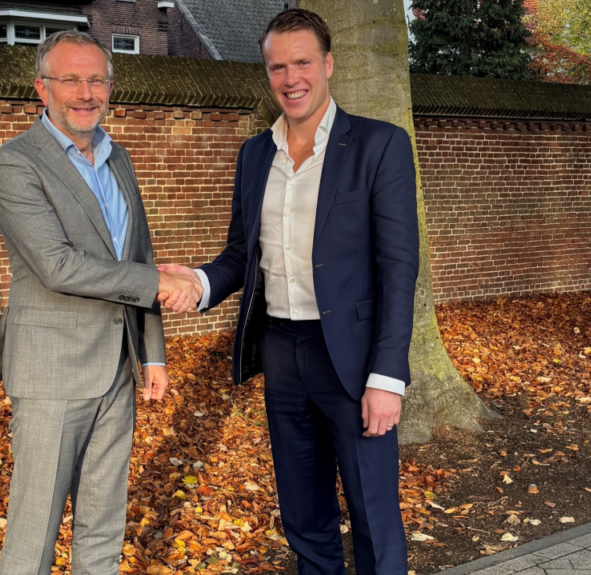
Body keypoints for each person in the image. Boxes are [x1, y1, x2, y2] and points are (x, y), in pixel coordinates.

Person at [159, 9, 418, 575]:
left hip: (353, 361)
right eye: (277, 66)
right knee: (304, 516)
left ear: (328, 64)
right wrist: (197, 282)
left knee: (373, 515)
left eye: (302, 62)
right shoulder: (256, 155)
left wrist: (387, 376)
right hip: (281, 351)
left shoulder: (379, 145)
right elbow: (240, 255)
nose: (290, 77)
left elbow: (399, 269)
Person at [0, 30, 201, 575]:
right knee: (35, 527)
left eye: (97, 80)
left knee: (103, 522)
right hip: (52, 372)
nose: (86, 93)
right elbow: (57, 266)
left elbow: (140, 252)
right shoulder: (14, 164)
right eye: (71, 80)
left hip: (118, 369)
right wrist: (157, 284)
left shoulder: (117, 157)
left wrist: (152, 354)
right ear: (43, 88)